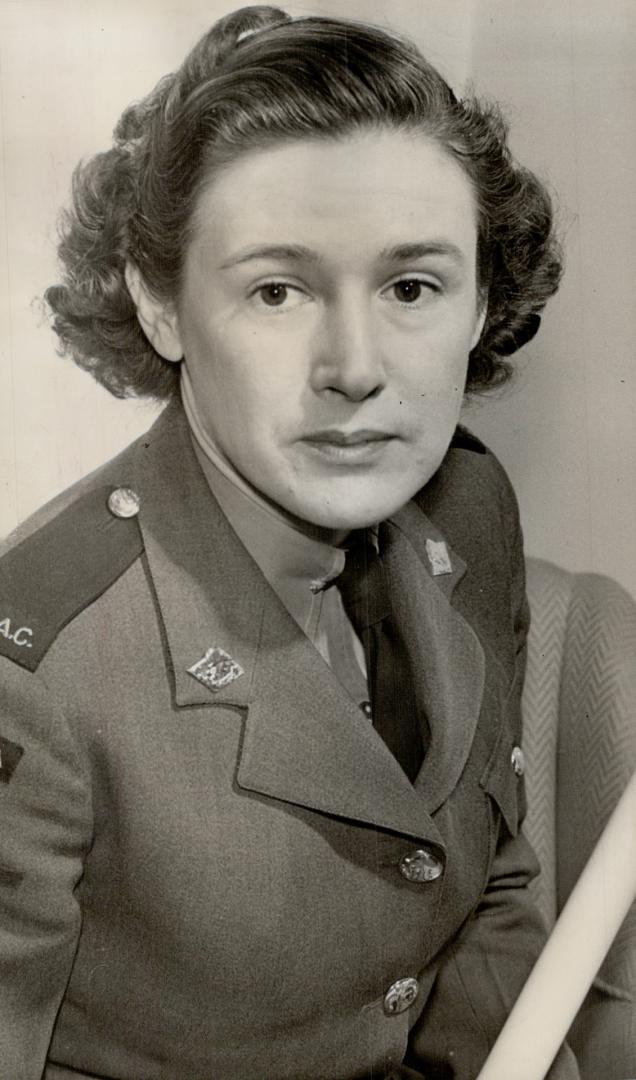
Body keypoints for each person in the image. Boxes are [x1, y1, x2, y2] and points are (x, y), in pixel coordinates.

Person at [0, 6, 580, 1078]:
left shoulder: (467, 507)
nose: (354, 366)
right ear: (162, 304)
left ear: (481, 300)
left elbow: (487, 891)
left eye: (412, 287)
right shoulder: (34, 676)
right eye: (278, 289)